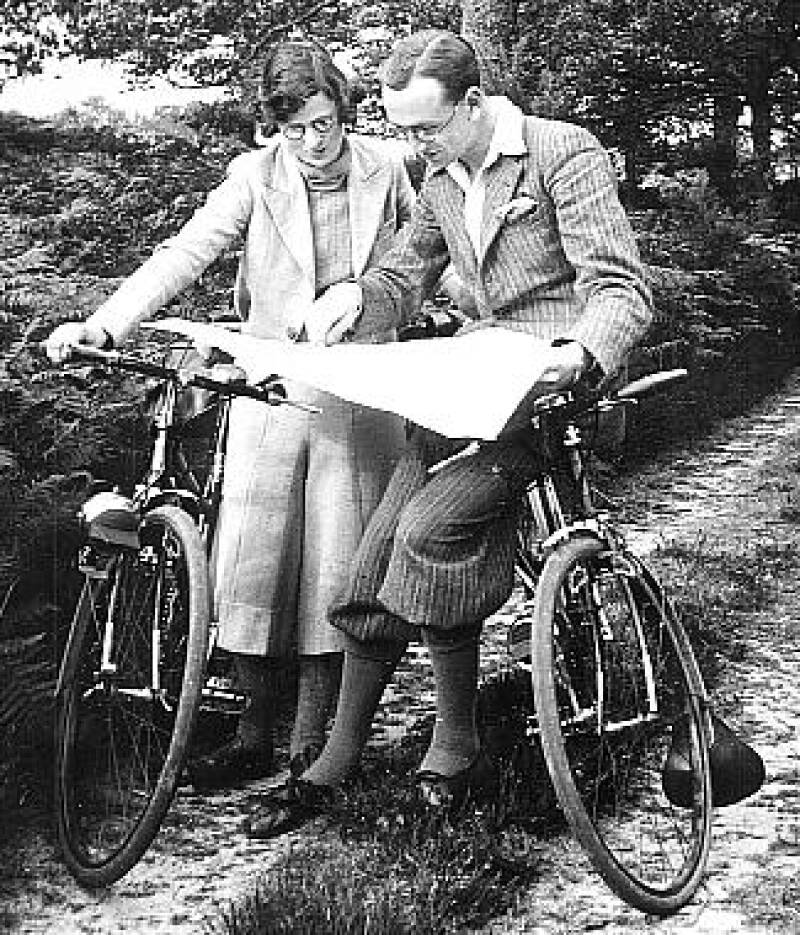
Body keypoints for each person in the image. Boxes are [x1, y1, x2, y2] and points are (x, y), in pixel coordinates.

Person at [244, 28, 654, 837]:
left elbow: (621, 288)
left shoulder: (560, 154)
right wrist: (354, 301)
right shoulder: (439, 172)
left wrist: (577, 353)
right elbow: (404, 273)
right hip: (474, 386)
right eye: (403, 130)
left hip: (549, 393)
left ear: (473, 104)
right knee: (375, 552)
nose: (414, 146)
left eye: (427, 128)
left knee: (433, 531)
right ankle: (336, 758)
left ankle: (455, 744)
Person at [44, 40, 415, 789]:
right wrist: (104, 325)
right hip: (270, 383)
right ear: (272, 127)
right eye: (297, 130)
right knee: (254, 558)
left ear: (345, 110)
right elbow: (185, 254)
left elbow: (425, 259)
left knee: (335, 562)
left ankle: (311, 743)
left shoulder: (390, 168)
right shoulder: (254, 176)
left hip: (362, 387)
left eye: (326, 124)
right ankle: (251, 727)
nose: (315, 143)